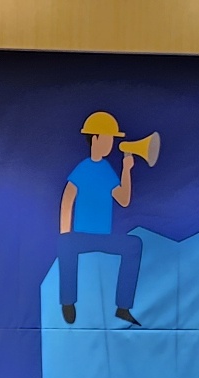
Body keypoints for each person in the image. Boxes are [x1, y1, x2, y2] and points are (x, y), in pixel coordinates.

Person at [58, 110, 145, 326]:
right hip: (80, 235)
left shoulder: (106, 170)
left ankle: (123, 307)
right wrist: (65, 233)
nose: (110, 144)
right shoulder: (83, 168)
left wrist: (126, 169)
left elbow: (123, 199)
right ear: (95, 139)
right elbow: (67, 198)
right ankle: (68, 301)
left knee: (134, 245)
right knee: (65, 246)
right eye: (107, 139)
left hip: (103, 237)